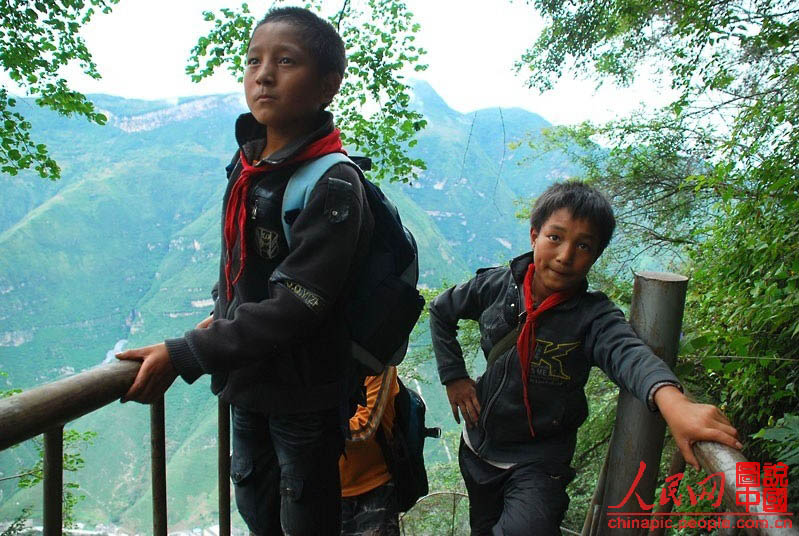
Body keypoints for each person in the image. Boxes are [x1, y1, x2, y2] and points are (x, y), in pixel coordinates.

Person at [116, 7, 374, 535]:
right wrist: (220, 316)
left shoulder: (333, 183)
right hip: (247, 380)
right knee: (257, 511)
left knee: (304, 516)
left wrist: (187, 352)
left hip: (304, 391)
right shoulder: (250, 166)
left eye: (286, 61)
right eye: (254, 60)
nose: (264, 74)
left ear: (329, 85)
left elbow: (298, 304)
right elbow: (241, 264)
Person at [429, 181, 742, 535]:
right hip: (477, 449)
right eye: (555, 238)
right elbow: (441, 310)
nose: (565, 256)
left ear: (595, 255)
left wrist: (675, 403)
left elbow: (630, 355)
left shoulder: (592, 317)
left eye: (583, 245)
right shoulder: (498, 287)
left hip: (539, 461)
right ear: (534, 236)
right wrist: (454, 376)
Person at [340, 366, 401, 536]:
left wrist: (310, 425)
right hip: (325, 489)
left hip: (373, 487)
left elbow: (363, 429)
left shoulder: (379, 362)